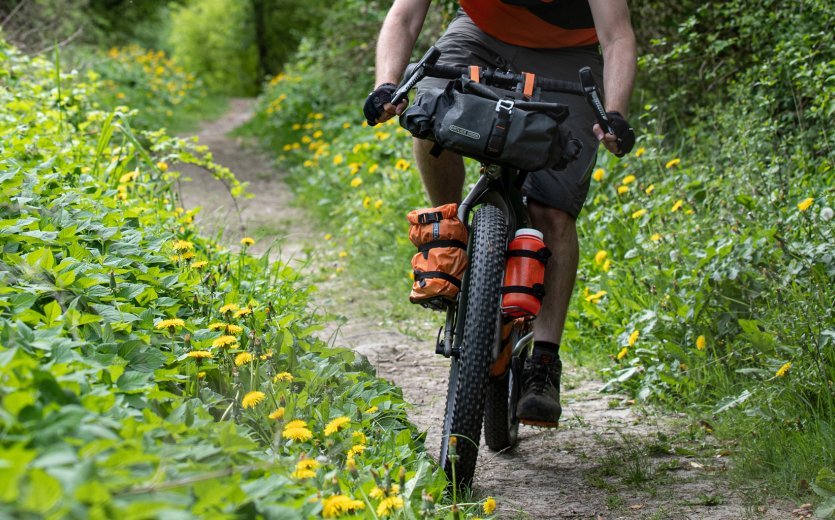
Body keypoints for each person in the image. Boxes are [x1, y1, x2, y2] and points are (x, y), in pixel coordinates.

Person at [363, 0, 636, 427]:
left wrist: (614, 113)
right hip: (479, 35)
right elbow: (405, 14)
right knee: (430, 107)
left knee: (553, 213)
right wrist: (386, 85)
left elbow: (617, 35)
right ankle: (447, 231)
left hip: (570, 57)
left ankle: (543, 362)